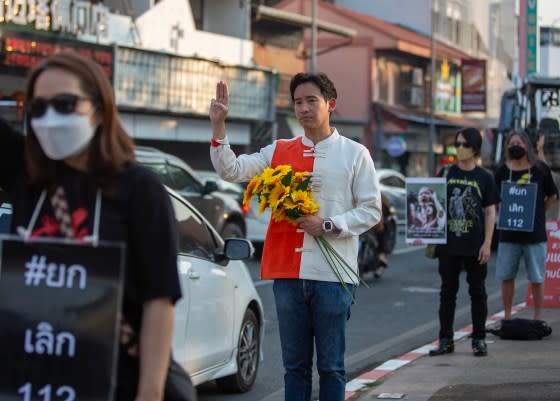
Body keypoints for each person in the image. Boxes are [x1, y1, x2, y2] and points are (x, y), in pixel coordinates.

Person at [0, 52, 185, 401]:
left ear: (99, 109)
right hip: (37, 382)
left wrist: (150, 393)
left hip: (117, 383)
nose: (50, 118)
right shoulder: (28, 180)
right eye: (38, 108)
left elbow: (159, 302)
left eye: (65, 104)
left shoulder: (140, 190)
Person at [208, 72, 381, 401]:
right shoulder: (278, 150)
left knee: (331, 367)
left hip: (334, 275)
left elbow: (372, 210)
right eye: (298, 102)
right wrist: (219, 126)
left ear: (330, 104)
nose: (303, 108)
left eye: (311, 101)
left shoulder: (355, 153)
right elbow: (231, 170)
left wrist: (328, 225)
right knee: (295, 367)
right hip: (287, 273)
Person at [429, 127, 499, 358]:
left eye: (464, 145)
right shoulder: (445, 173)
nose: (460, 149)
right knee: (447, 293)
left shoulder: (484, 177)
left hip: (474, 244)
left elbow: (490, 212)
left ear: (475, 148)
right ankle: (445, 340)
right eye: (456, 144)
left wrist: (487, 243)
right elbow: (431, 201)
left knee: (477, 292)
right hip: (448, 244)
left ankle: (479, 339)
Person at [494, 131, 558, 321]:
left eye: (519, 143)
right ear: (506, 147)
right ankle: (507, 316)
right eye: (512, 143)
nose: (515, 146)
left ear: (527, 146)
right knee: (506, 276)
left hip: (534, 235)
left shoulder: (540, 169)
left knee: (537, 277)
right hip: (508, 234)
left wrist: (538, 213)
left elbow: (552, 195)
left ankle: (538, 317)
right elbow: (494, 197)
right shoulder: (502, 171)